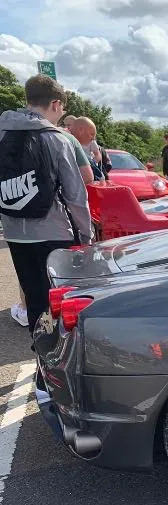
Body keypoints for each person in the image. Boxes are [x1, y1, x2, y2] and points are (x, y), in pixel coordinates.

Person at [0, 74, 93, 333]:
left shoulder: (2, 134)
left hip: (14, 232)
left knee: (35, 301)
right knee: (61, 303)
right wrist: (86, 235)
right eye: (62, 109)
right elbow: (75, 195)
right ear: (55, 103)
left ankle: (40, 348)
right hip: (54, 232)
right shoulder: (56, 138)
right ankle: (59, 354)